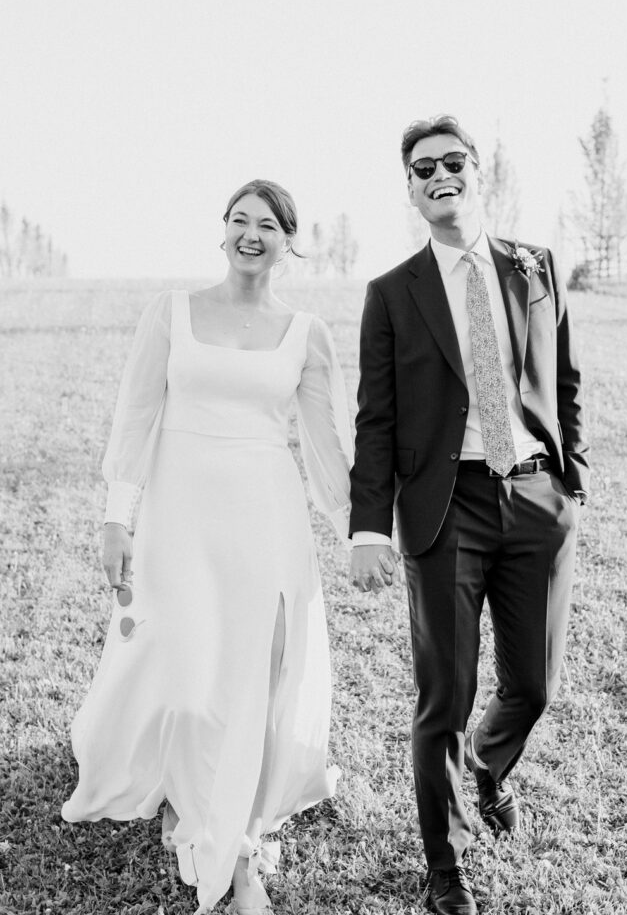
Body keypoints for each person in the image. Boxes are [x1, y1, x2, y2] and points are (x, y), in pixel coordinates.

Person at [62, 179, 353, 915]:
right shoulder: (171, 313)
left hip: (266, 518)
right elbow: (134, 419)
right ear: (220, 232)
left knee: (256, 676)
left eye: (267, 224)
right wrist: (115, 519)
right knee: (191, 674)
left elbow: (326, 454)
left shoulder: (306, 334)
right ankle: (190, 800)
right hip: (179, 516)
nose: (250, 234)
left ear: (290, 241)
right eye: (238, 220)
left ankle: (236, 846)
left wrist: (366, 528)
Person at [348, 115, 590, 915]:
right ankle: (446, 868)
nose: (440, 175)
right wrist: (368, 527)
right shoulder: (391, 294)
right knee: (443, 701)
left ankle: (485, 771)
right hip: (442, 510)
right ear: (411, 191)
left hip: (534, 501)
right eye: (424, 169)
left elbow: (565, 381)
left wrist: (570, 483)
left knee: (533, 687)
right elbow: (375, 422)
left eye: (453, 161)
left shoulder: (535, 265)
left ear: (478, 171)